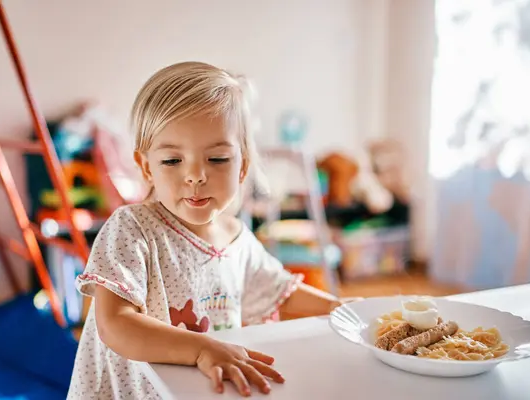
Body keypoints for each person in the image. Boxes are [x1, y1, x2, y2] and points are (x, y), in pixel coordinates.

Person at [68, 61, 356, 399]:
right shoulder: (131, 229)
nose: (195, 176)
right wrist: (202, 349)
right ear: (146, 167)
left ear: (242, 165)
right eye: (172, 161)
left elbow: (280, 290)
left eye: (217, 159)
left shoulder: (238, 238)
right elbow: (116, 326)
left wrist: (341, 308)